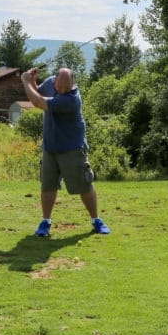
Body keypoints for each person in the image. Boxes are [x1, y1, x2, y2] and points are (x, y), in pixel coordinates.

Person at [20, 66, 110, 237]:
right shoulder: (49, 83)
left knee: (84, 185)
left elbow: (38, 102)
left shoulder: (71, 99)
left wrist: (25, 81)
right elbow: (38, 93)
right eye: (59, 87)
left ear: (73, 84)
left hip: (72, 148)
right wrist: (32, 81)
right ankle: (45, 222)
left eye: (66, 88)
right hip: (50, 147)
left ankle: (96, 220)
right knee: (48, 186)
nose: (62, 91)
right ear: (54, 80)